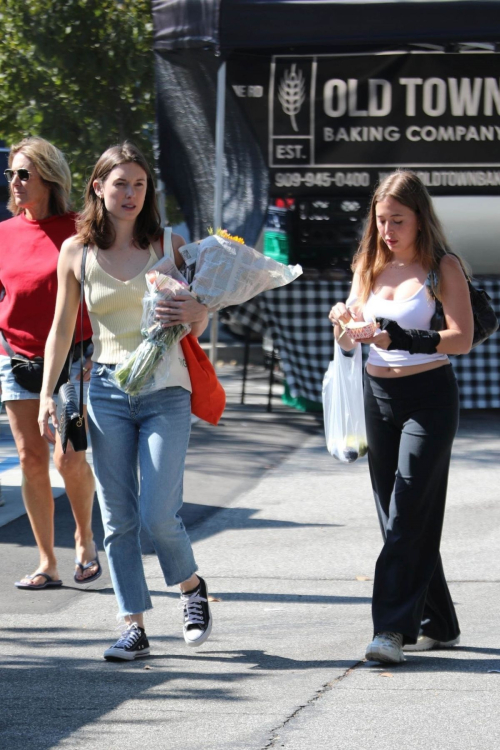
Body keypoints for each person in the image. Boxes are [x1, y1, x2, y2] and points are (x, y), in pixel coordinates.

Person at [39, 141, 212, 661]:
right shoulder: (77, 251)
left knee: (160, 513)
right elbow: (62, 327)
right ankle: (132, 624)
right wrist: (49, 393)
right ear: (98, 187)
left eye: (139, 184)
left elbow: (199, 321)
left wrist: (196, 307)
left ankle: (190, 587)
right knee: (117, 517)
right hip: (108, 391)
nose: (131, 193)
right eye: (121, 183)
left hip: (166, 391)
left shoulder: (170, 244)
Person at [329, 170, 473, 664]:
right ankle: (441, 623)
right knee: (399, 517)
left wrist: (402, 338)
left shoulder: (442, 267)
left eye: (398, 220)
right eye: (381, 219)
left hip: (429, 396)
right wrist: (344, 325)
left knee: (409, 510)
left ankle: (391, 630)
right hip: (377, 396)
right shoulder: (368, 263)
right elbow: (350, 337)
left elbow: (462, 336)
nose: (388, 229)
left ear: (419, 219)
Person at [0, 137, 98, 590]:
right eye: (12, 174)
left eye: (25, 173)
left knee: (69, 456)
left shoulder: (80, 230)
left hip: (71, 359)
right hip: (16, 358)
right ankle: (46, 563)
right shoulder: (4, 233)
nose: (15, 182)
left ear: (48, 177)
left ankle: (84, 537)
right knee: (30, 457)